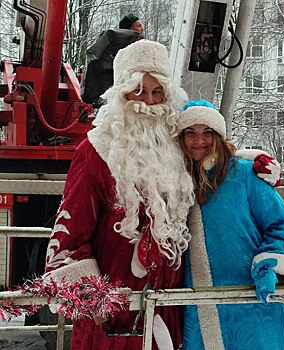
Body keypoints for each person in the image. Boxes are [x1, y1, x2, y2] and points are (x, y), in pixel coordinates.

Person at [44, 40, 194, 350]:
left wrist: (251, 165)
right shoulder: (95, 151)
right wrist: (92, 296)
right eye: (137, 91)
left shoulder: (178, 149)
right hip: (112, 316)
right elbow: (70, 234)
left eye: (157, 93)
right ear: (120, 94)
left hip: (168, 310)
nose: (147, 102)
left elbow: (217, 161)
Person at [177, 99, 284, 350]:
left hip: (254, 300)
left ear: (218, 135)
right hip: (199, 308)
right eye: (191, 132)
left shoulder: (244, 174)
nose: (199, 140)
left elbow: (282, 224)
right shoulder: (173, 180)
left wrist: (269, 263)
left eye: (207, 132)